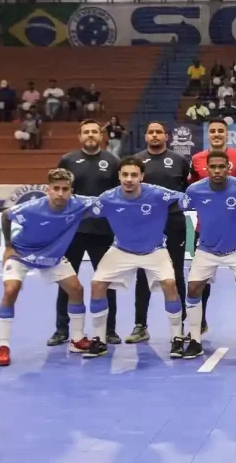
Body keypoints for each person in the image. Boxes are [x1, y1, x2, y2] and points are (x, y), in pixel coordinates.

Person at [83, 156, 187, 359]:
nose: (129, 179)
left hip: (155, 250)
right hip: (121, 250)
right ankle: (99, 339)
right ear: (119, 176)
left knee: (169, 283)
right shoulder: (108, 197)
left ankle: (177, 337)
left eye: (134, 175)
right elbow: (82, 209)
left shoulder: (157, 194)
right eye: (125, 175)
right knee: (97, 283)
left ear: (142, 177)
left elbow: (185, 199)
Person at [0, 169, 94, 366]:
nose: (60, 193)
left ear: (71, 191)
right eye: (55, 188)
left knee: (76, 289)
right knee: (10, 290)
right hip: (22, 254)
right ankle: (3, 346)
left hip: (52, 256)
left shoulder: (79, 204)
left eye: (64, 189)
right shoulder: (32, 208)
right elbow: (6, 215)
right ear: (48, 190)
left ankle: (77, 339)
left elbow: (105, 201)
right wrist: (8, 246)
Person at [181, 150, 236, 360]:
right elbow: (181, 205)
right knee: (193, 289)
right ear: (207, 168)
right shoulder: (194, 190)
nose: (217, 170)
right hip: (206, 250)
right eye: (213, 167)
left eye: (222, 166)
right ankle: (194, 340)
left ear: (228, 167)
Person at [50, 119, 120, 347]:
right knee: (67, 281)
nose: (90, 135)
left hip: (103, 231)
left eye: (94, 132)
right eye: (86, 132)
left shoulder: (113, 161)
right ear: (80, 137)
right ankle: (62, 329)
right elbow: (58, 194)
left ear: (101, 136)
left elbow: (118, 196)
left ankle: (109, 330)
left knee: (106, 282)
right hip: (73, 231)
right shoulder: (68, 160)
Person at [126, 122, 191, 344]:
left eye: (158, 132)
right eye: (151, 132)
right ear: (146, 136)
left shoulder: (180, 161)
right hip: (145, 225)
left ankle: (181, 325)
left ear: (166, 136)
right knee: (143, 275)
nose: (155, 136)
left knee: (176, 274)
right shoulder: (137, 160)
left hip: (174, 223)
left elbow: (186, 189)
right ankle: (140, 325)